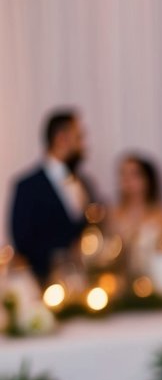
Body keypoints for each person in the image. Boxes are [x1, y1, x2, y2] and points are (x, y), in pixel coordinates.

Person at [8, 109, 96, 281]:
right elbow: (23, 241)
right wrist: (64, 255)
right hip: (45, 283)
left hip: (86, 283)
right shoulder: (27, 187)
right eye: (79, 138)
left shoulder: (84, 183)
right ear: (61, 138)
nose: (83, 145)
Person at [107, 154, 162, 276]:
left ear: (147, 179)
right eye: (123, 174)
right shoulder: (114, 214)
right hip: (123, 278)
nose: (127, 180)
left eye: (134, 175)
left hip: (154, 277)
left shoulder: (160, 215)